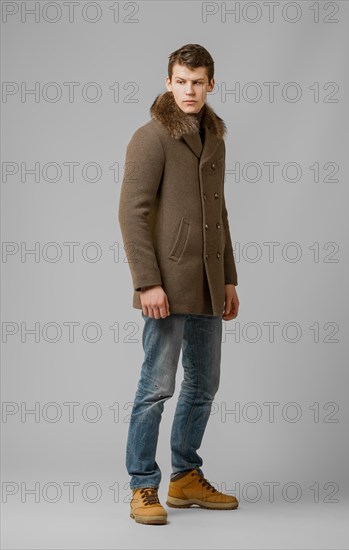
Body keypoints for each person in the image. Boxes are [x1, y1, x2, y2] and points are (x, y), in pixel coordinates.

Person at [118, 43, 240, 525]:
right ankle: (143, 486)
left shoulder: (217, 139)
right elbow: (132, 212)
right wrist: (147, 282)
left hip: (209, 283)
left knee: (204, 385)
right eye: (181, 81)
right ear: (168, 82)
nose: (190, 90)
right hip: (165, 286)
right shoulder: (150, 138)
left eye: (198, 81)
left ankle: (185, 477)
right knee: (156, 386)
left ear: (212, 84)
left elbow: (219, 215)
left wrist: (229, 278)